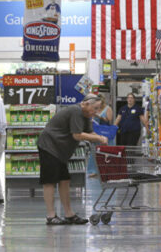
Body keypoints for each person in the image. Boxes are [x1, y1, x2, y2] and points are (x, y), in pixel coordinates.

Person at [36, 94, 108, 225]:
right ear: (86, 104)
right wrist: (98, 139)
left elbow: (89, 132)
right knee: (49, 181)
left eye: (98, 109)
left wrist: (100, 137)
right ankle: (51, 216)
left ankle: (69, 214)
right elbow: (77, 135)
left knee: (64, 180)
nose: (96, 112)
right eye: (95, 108)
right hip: (50, 146)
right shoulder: (76, 111)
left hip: (60, 151)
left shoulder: (87, 116)